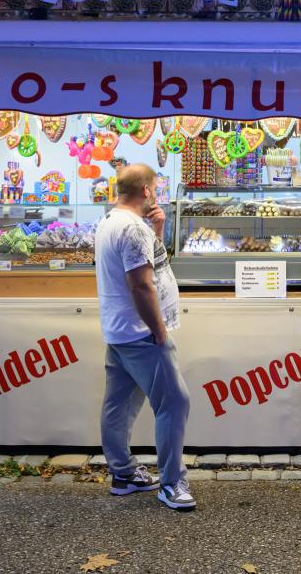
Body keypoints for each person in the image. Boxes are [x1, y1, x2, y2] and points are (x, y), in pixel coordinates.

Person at [95, 163, 195, 510]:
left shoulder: (112, 221)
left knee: (119, 403)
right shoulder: (132, 229)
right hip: (142, 333)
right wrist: (159, 330)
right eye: (156, 187)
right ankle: (172, 483)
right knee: (175, 402)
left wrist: (158, 229)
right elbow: (140, 284)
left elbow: (147, 264)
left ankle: (123, 473)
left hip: (120, 329)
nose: (158, 193)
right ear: (146, 191)